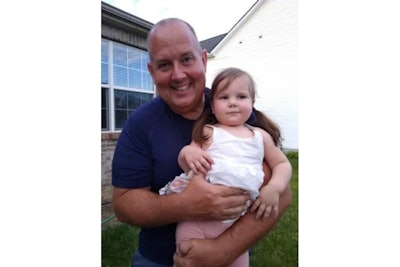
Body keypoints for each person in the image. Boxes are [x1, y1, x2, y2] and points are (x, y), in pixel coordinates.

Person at [112, 17, 292, 267]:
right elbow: (123, 205)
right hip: (158, 259)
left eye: (187, 59)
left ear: (203, 60)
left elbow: (281, 192)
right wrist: (185, 205)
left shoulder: (235, 112)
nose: (178, 75)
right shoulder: (140, 124)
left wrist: (223, 249)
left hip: (232, 251)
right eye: (164, 65)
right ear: (152, 72)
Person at [159, 67, 292, 267]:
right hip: (196, 223)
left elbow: (282, 164)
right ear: (212, 106)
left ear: (252, 102)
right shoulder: (208, 132)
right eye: (224, 97)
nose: (232, 102)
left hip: (236, 229)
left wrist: (273, 188)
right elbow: (186, 161)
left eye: (241, 96)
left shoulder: (260, 137)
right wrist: (188, 152)